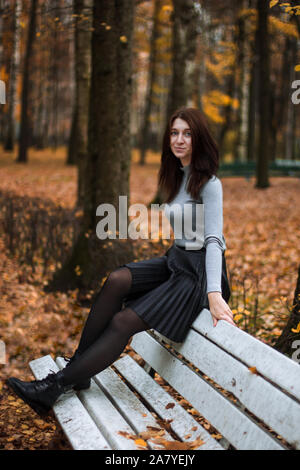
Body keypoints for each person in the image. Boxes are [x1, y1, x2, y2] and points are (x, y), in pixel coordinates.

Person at [6, 107, 235, 417]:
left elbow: (213, 241)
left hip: (197, 277)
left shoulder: (210, 184)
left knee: (123, 321)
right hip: (177, 260)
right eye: (174, 133)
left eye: (187, 133)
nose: (179, 139)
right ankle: (80, 369)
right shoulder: (179, 175)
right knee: (117, 279)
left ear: (199, 139)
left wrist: (214, 293)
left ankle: (53, 387)